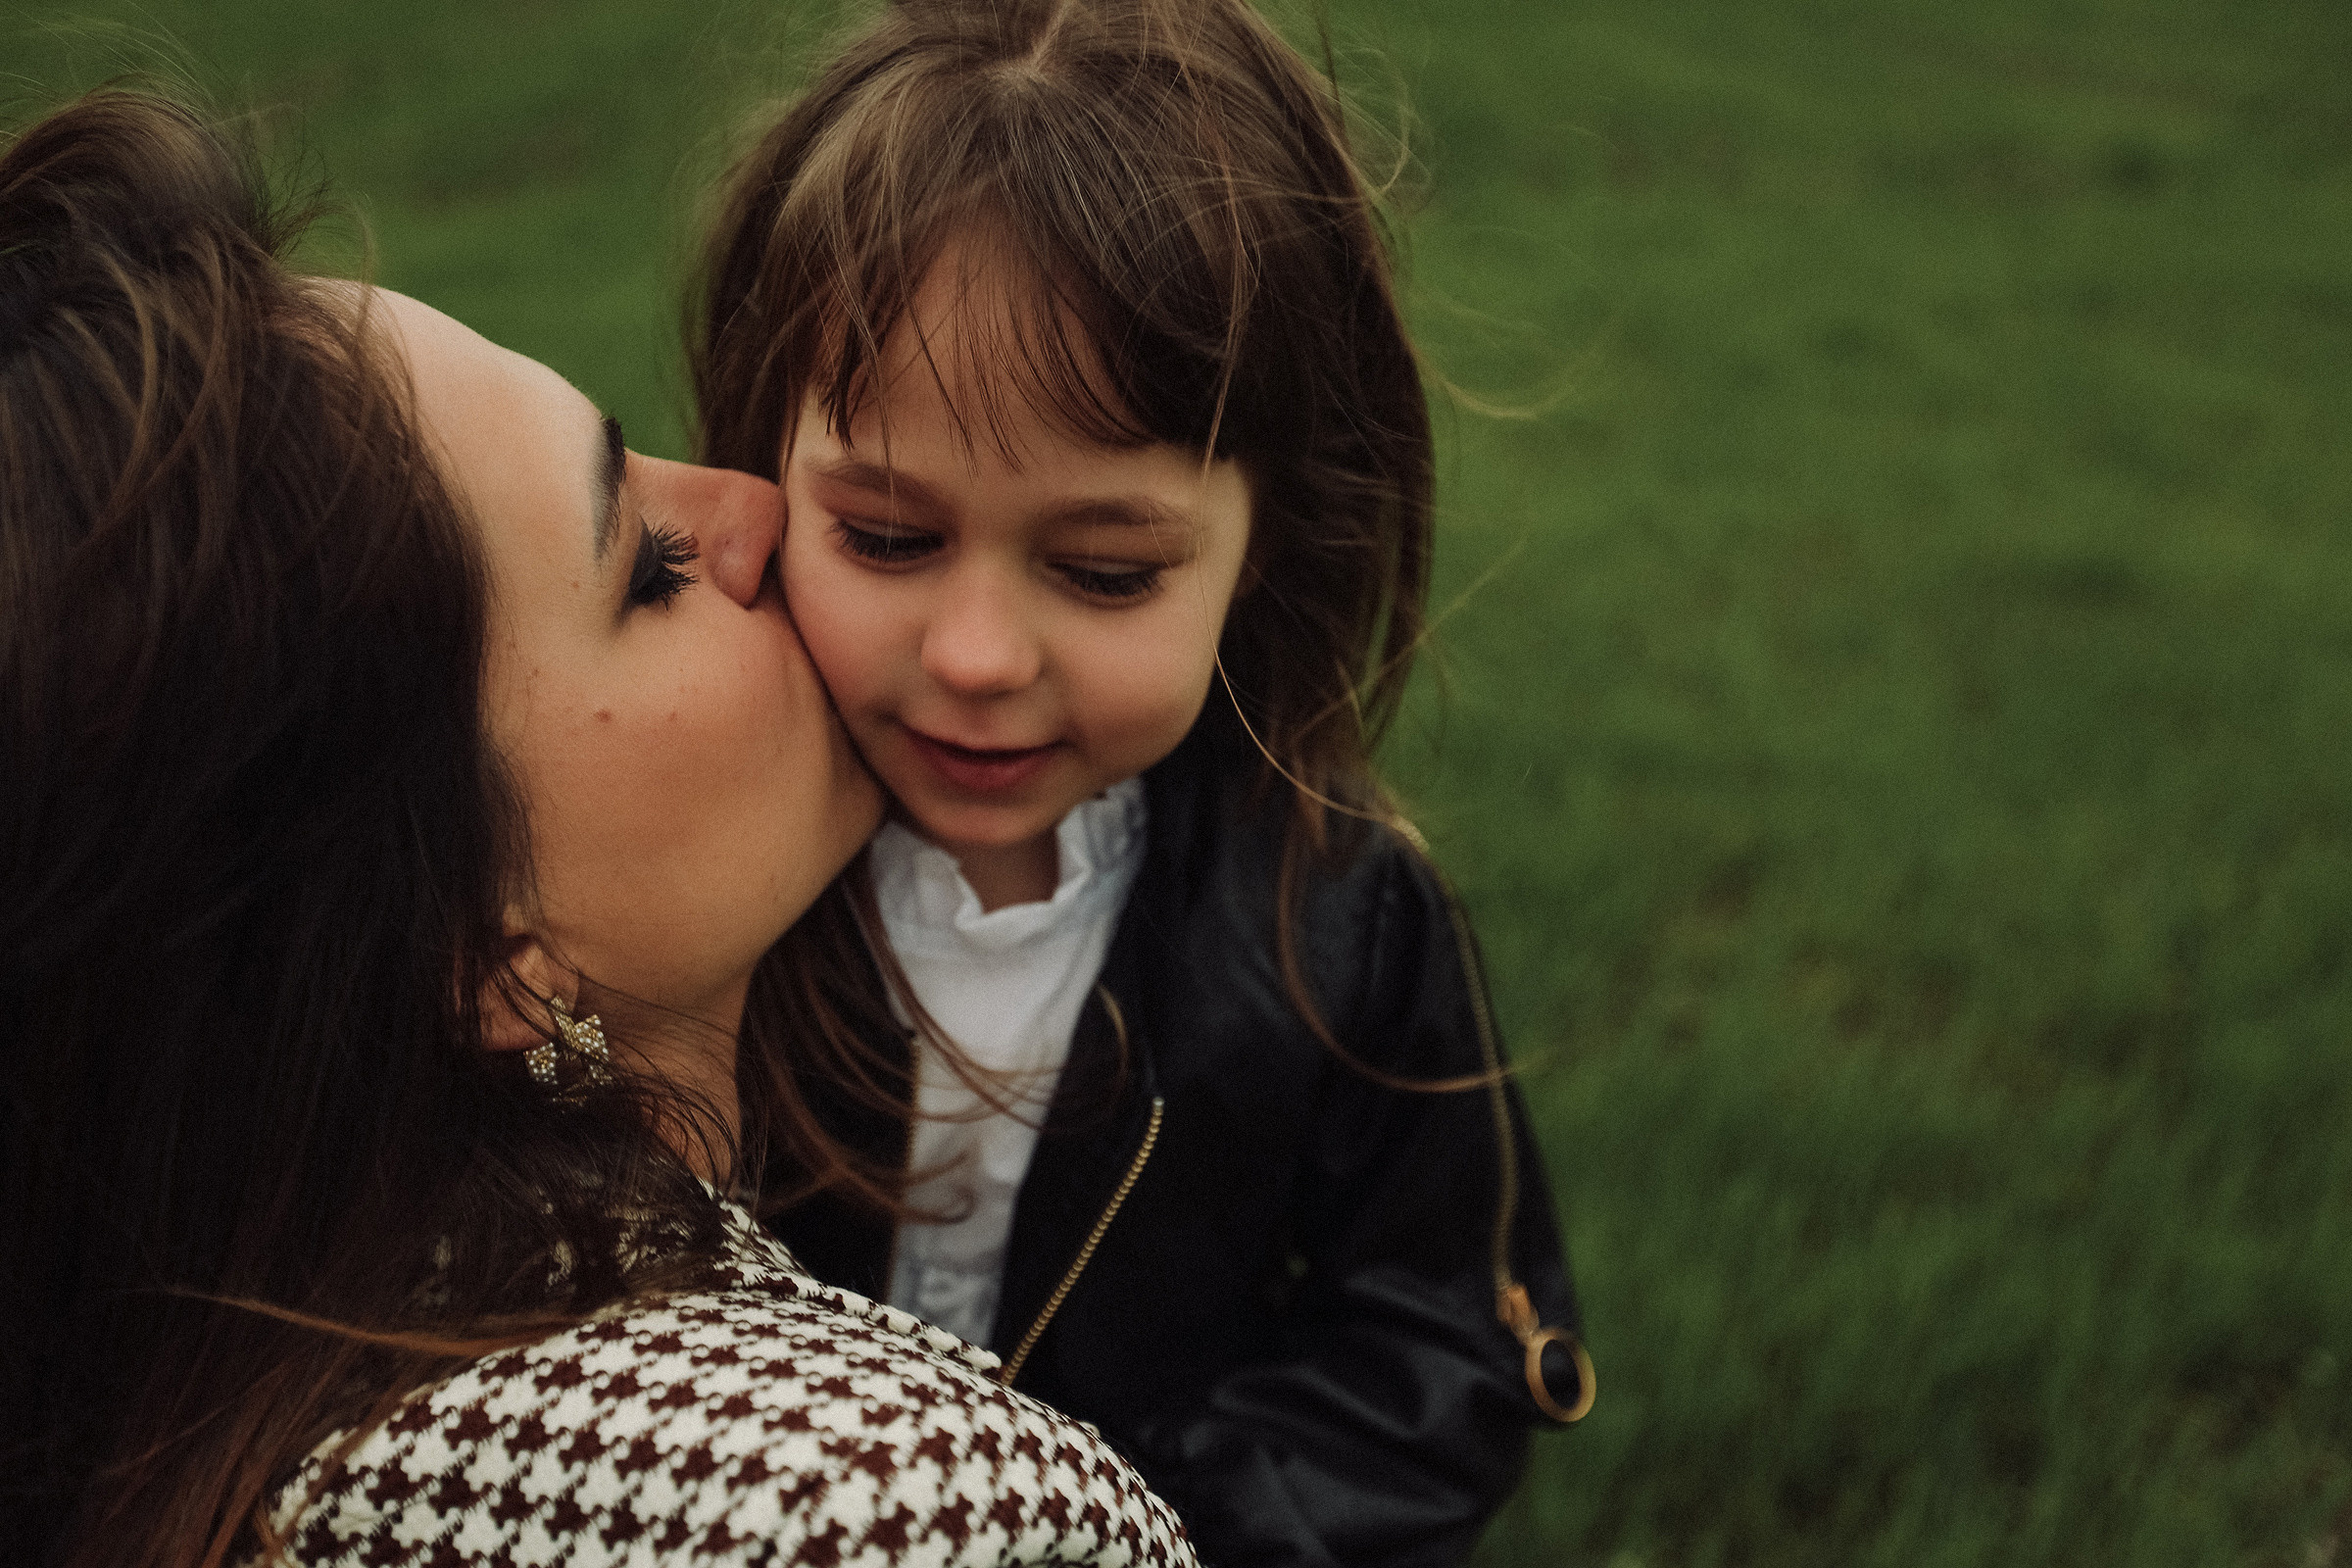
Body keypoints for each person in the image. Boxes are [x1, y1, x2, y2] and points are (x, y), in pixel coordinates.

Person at [0, 89, 1194, 1568]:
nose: (756, 511)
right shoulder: (894, 1512)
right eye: (645, 571)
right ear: (483, 956)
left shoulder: (149, 1399)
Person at [691, 3, 1592, 1563]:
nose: (978, 656)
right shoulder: (686, 858)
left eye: (1106, 571)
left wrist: (1131, 1533)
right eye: (888, 539)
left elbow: (1438, 1351)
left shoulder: (1342, 926)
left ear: (1264, 542)